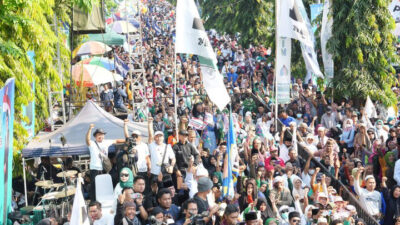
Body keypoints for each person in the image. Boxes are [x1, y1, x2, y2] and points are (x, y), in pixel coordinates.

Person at [86, 124, 125, 201]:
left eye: (102, 134)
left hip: (104, 169)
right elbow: (87, 140)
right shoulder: (92, 143)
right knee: (94, 187)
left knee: (104, 187)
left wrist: (127, 139)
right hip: (95, 169)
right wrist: (90, 129)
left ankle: (104, 202)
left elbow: (117, 141)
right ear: (95, 136)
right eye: (99, 135)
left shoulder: (106, 142)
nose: (101, 136)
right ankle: (94, 203)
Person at [123, 120, 151, 193]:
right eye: (133, 136)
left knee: (145, 188)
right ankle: (136, 202)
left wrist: (149, 168)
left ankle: (143, 202)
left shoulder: (144, 145)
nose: (134, 138)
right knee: (135, 189)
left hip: (143, 170)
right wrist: (125, 124)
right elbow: (126, 135)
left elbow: (147, 158)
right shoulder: (131, 145)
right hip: (134, 171)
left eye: (136, 136)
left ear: (140, 137)